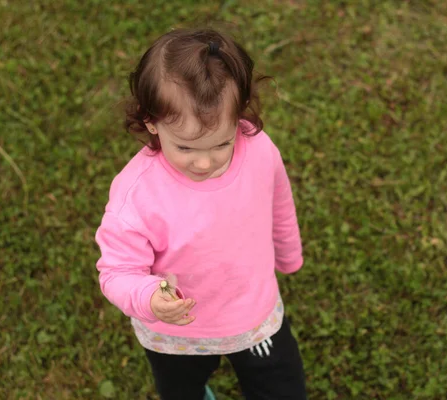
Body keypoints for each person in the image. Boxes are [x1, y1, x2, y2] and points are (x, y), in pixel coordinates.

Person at [95, 28, 307, 400]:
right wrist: (149, 298)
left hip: (254, 315)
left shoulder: (259, 150)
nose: (206, 161)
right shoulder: (137, 196)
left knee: (281, 388)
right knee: (182, 392)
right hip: (175, 335)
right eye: (186, 147)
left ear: (240, 115)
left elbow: (278, 203)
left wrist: (289, 254)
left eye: (222, 142)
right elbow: (117, 272)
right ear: (150, 122)